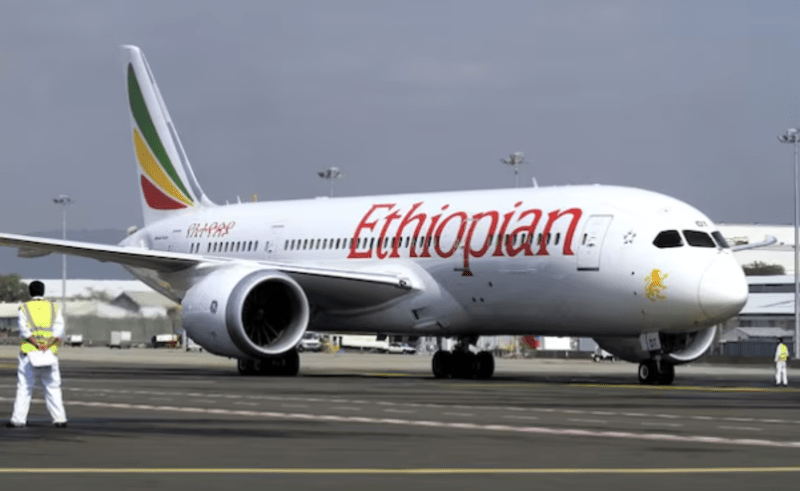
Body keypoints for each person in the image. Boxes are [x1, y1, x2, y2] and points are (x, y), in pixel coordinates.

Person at [7, 281, 67, 428]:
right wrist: (47, 343)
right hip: (49, 352)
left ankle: (18, 419)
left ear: (30, 292)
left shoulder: (24, 308)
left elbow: (24, 331)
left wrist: (36, 343)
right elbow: (59, 330)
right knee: (52, 387)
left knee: (25, 387)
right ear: (43, 291)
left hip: (30, 352)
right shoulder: (54, 308)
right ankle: (59, 418)